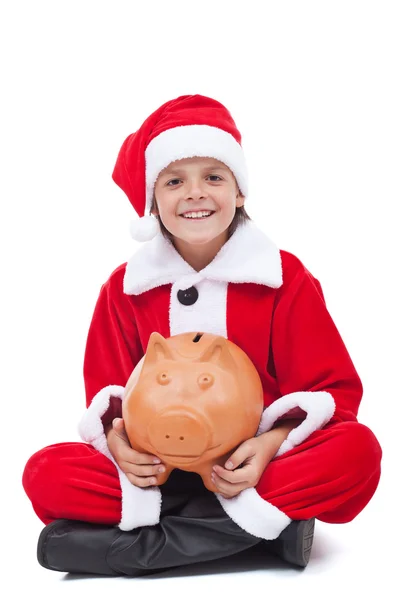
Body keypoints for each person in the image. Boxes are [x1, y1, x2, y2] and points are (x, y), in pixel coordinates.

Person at [22, 94, 382, 576]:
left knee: (358, 453)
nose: (195, 193)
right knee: (46, 473)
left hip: (252, 469)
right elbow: (105, 393)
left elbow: (333, 392)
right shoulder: (124, 290)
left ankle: (143, 545)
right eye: (174, 181)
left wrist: (272, 443)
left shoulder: (284, 279)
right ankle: (260, 533)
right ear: (153, 201)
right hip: (156, 471)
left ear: (239, 193)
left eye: (213, 176)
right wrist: (121, 445)